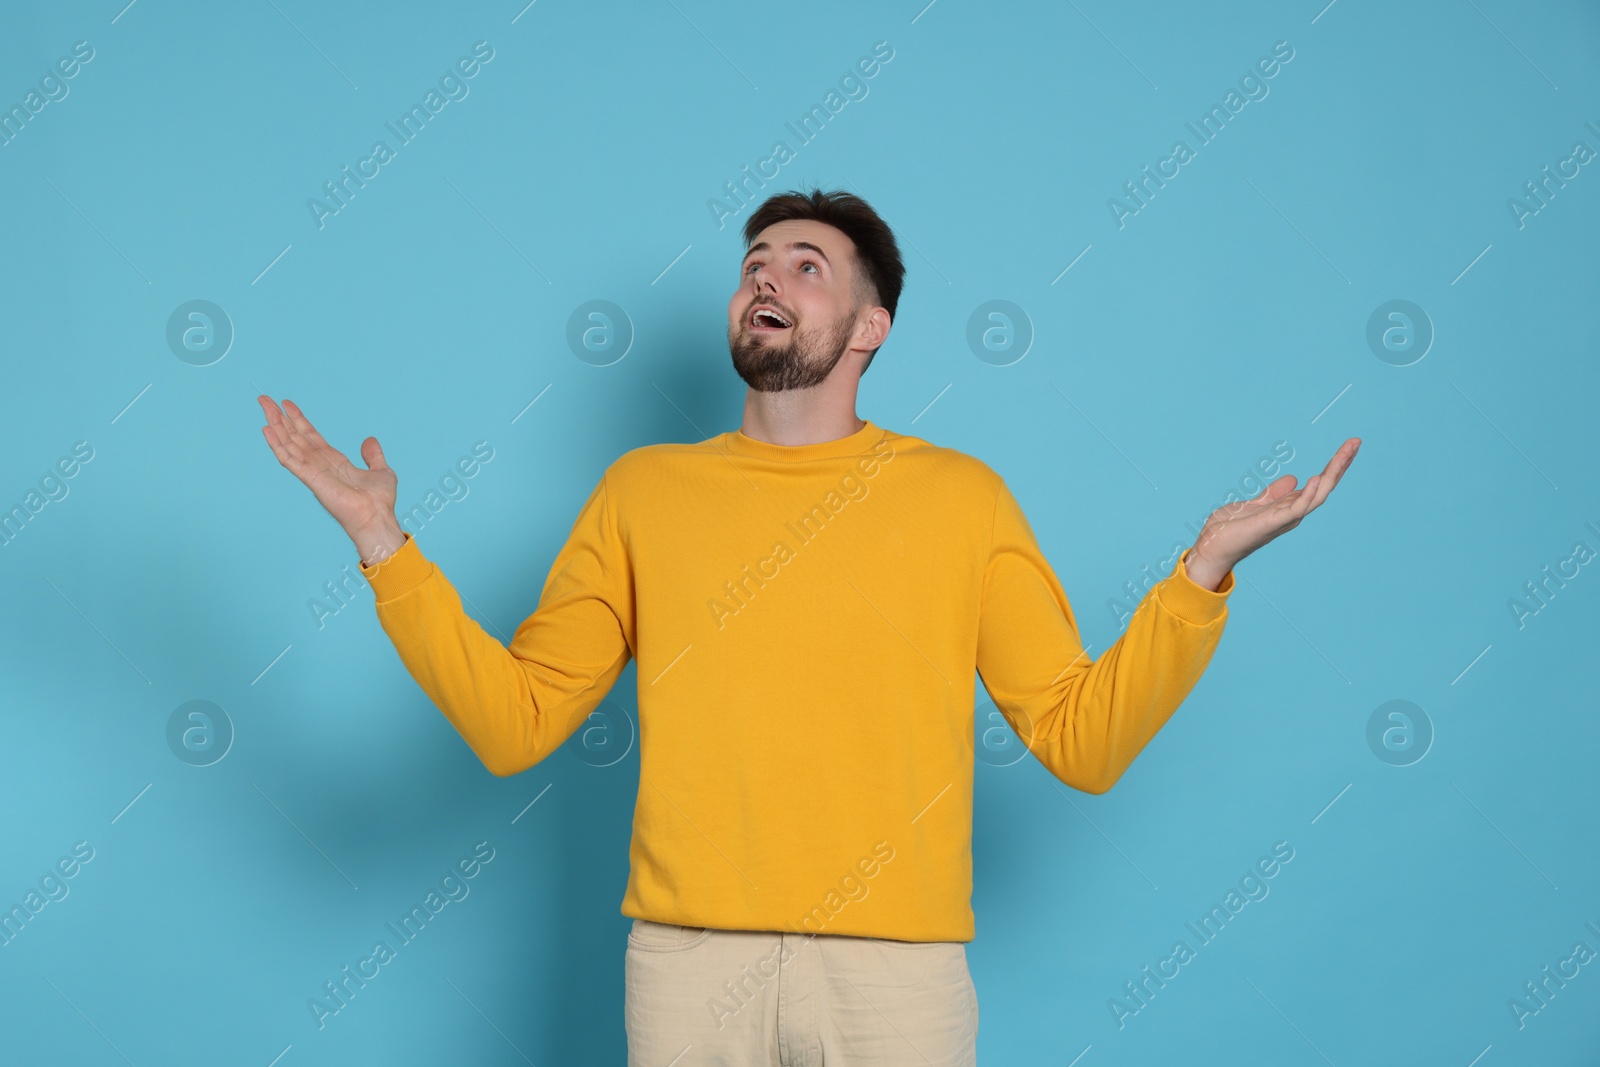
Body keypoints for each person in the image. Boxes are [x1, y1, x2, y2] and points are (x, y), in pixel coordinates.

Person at [257, 187, 1359, 1065]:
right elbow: (515, 721)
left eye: (802, 264)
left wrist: (1200, 574)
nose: (764, 277)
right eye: (753, 264)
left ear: (870, 326)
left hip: (897, 978)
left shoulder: (959, 497)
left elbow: (1082, 737)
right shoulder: (643, 492)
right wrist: (382, 544)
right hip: (688, 968)